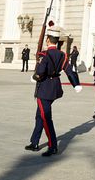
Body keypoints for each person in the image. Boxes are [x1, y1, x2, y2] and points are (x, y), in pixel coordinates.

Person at [26, 23, 81, 157]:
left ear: (48, 40)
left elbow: (40, 72)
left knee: (45, 118)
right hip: (54, 88)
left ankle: (53, 145)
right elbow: (69, 71)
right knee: (40, 115)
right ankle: (34, 142)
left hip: (44, 89)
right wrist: (76, 84)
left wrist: (35, 77)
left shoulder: (44, 54)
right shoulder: (62, 55)